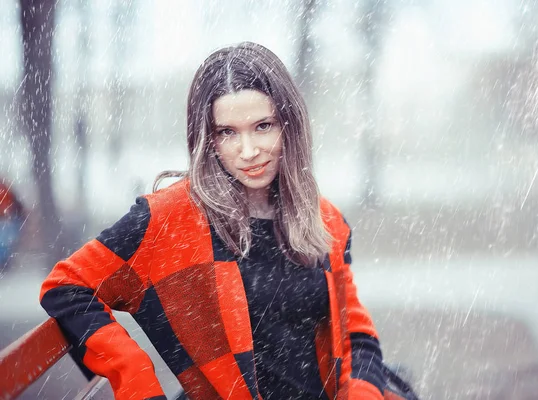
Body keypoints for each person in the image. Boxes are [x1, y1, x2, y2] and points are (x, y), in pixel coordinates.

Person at [39, 42, 412, 400]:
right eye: (227, 132)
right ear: (207, 138)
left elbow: (355, 334)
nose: (248, 151)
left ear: (289, 125)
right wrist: (134, 375)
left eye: (263, 126)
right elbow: (66, 286)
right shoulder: (169, 219)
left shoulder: (323, 219)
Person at [0, 180, 25, 268]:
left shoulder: (4, 189)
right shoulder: (5, 188)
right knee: (5, 242)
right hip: (7, 219)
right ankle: (5, 262)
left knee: (4, 243)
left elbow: (9, 204)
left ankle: (5, 262)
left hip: (6, 220)